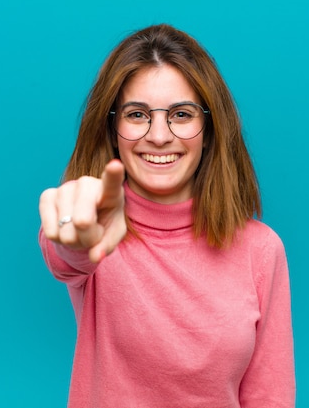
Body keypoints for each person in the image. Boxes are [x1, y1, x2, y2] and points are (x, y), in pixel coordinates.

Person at [38, 24, 295, 407]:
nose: (159, 135)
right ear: (113, 129)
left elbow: (269, 397)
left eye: (182, 114)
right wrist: (74, 234)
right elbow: (67, 255)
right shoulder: (96, 227)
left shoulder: (261, 249)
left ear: (209, 129)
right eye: (138, 114)